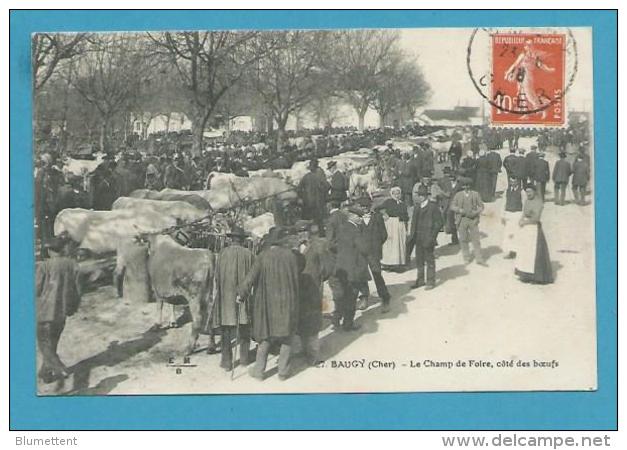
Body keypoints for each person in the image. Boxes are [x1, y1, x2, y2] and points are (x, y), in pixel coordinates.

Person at [237, 227, 300, 381]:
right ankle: (283, 372)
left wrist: (241, 294)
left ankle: (259, 372)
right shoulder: (292, 256)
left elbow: (250, 278)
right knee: (287, 336)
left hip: (267, 304)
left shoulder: (263, 256)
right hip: (287, 302)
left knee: (265, 337)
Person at [36, 236, 82, 383]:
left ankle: (59, 368)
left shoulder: (44, 266)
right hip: (61, 312)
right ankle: (45, 373)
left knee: (44, 344)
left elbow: (36, 289)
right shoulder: (73, 264)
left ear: (49, 250)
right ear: (62, 249)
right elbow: (79, 289)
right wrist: (73, 306)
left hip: (44, 312)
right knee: (52, 343)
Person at [212, 226, 255, 371]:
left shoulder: (222, 254)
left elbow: (217, 277)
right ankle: (243, 358)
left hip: (225, 299)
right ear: (242, 240)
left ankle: (227, 362)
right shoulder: (249, 254)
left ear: (231, 239)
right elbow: (253, 278)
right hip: (242, 297)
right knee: (244, 327)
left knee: (225, 331)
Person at [295, 221, 334, 366]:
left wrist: (320, 278)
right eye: (299, 232)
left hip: (313, 290)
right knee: (301, 321)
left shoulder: (318, 247)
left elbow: (329, 266)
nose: (302, 235)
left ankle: (313, 355)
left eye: (304, 231)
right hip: (299, 290)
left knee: (313, 322)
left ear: (309, 233)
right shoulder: (294, 248)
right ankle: (304, 350)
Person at [334, 206, 371, 331]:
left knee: (342, 295)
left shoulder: (342, 228)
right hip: (354, 268)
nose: (361, 219)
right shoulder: (355, 231)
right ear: (353, 217)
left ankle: (337, 318)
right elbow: (364, 248)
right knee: (352, 296)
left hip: (342, 267)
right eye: (359, 217)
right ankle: (348, 324)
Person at [514, 185, 553, 284]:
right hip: (526, 229)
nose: (528, 194)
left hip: (534, 229)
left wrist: (525, 222)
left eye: (530, 192)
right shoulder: (527, 201)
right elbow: (524, 212)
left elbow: (536, 218)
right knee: (525, 252)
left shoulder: (538, 203)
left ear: (535, 192)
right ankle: (525, 275)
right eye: (527, 192)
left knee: (534, 252)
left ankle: (536, 277)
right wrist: (521, 219)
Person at [406, 186, 443, 290]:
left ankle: (431, 281)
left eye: (423, 195)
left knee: (429, 259)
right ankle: (420, 280)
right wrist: (412, 235)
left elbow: (439, 222)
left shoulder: (433, 206)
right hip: (418, 237)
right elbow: (413, 222)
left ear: (427, 196)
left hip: (428, 237)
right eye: (419, 195)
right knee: (419, 260)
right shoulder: (417, 207)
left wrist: (433, 235)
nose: (421, 197)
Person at [359, 197, 392, 312]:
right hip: (361, 253)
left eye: (366, 206)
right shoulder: (357, 219)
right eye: (362, 207)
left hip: (373, 252)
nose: (364, 209)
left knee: (377, 274)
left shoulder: (377, 217)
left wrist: (376, 245)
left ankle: (385, 298)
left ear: (370, 206)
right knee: (361, 276)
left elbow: (384, 235)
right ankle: (364, 298)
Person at [450, 177, 487, 266]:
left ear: (470, 186)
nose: (466, 187)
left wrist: (476, 212)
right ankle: (466, 257)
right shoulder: (458, 195)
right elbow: (452, 206)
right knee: (463, 239)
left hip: (473, 220)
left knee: (476, 239)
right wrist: (459, 210)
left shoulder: (475, 194)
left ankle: (479, 258)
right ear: (462, 186)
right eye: (464, 186)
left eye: (468, 186)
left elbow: (481, 206)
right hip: (462, 219)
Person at [298, 159, 331, 236]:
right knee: (320, 219)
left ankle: (309, 234)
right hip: (319, 201)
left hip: (308, 201)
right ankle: (321, 233)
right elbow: (327, 186)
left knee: (310, 218)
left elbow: (299, 188)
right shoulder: (320, 176)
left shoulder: (306, 177)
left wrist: (302, 197)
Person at [380, 187, 409, 270]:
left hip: (400, 225)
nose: (397, 195)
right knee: (390, 243)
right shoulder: (388, 202)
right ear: (392, 194)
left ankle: (398, 263)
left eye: (398, 193)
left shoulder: (402, 204)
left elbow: (406, 216)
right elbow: (378, 209)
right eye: (395, 194)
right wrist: (384, 214)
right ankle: (388, 263)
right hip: (391, 224)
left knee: (399, 243)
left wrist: (406, 227)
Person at [502, 177, 523, 259]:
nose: (512, 183)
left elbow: (524, 203)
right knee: (508, 234)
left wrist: (523, 217)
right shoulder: (507, 191)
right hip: (509, 214)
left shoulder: (521, 192)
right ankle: (510, 252)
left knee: (517, 234)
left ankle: (517, 252)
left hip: (517, 214)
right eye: (511, 181)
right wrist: (502, 215)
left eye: (514, 181)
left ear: (517, 182)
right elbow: (504, 203)